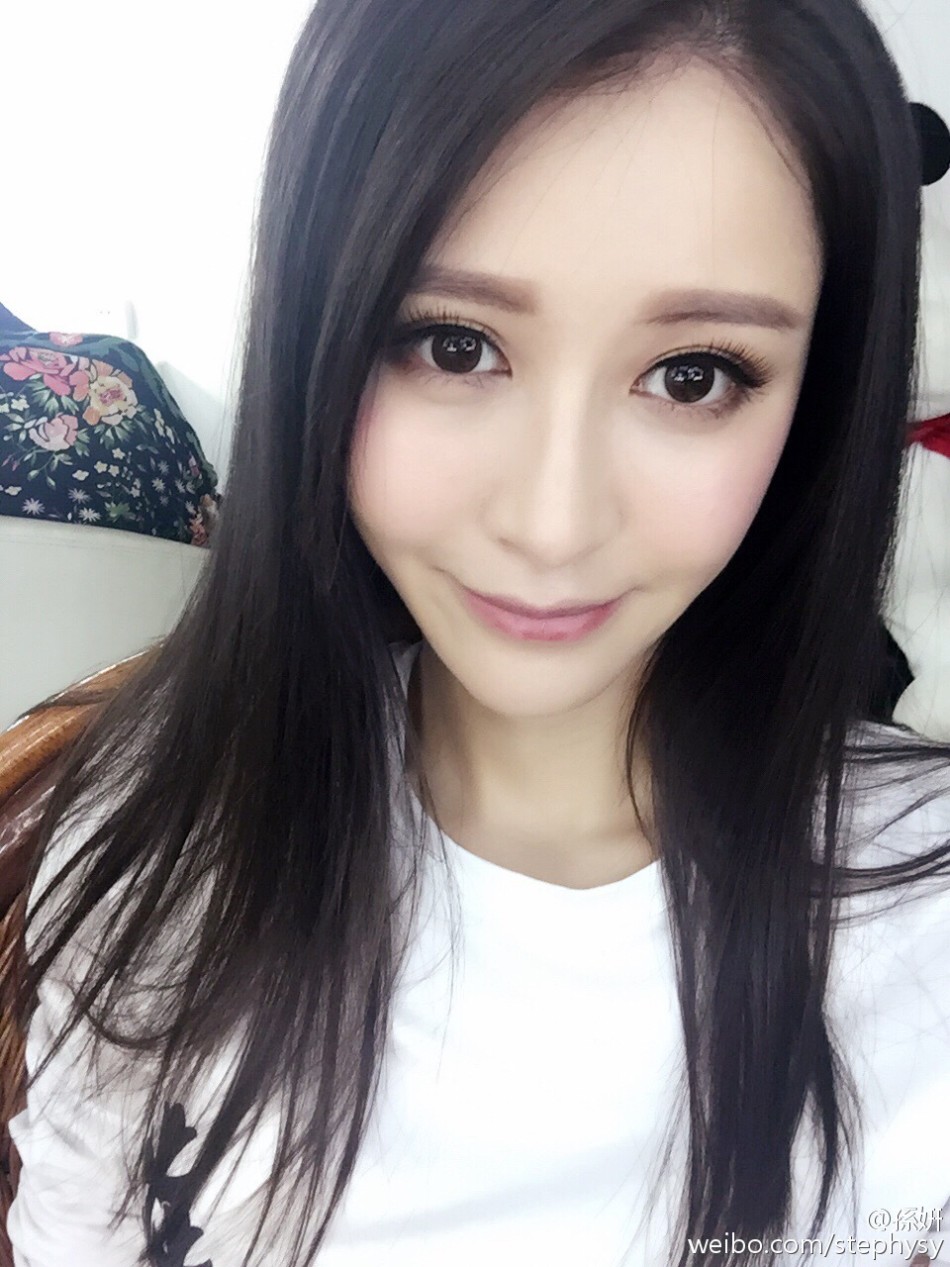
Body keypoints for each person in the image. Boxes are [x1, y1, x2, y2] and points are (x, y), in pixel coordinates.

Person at [6, 1, 950, 1265]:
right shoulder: (144, 834)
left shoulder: (923, 929)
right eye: (453, 346)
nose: (552, 525)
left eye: (692, 374)